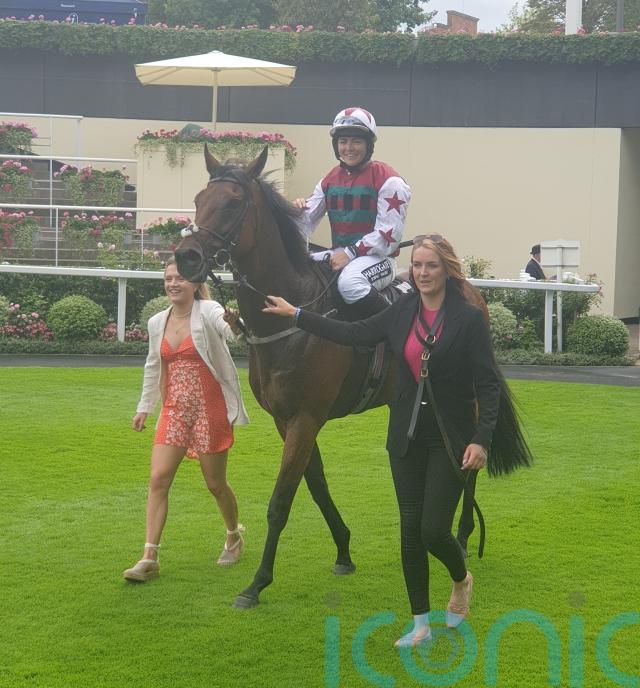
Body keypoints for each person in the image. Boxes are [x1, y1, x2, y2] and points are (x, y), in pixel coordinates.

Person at [262, 235, 532, 647]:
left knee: (433, 531)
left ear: (447, 270)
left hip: (451, 435)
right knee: (409, 532)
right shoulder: (401, 310)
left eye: (431, 266)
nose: (422, 273)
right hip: (406, 436)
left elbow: (488, 385)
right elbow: (351, 332)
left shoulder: (468, 319)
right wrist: (297, 314)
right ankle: (420, 623)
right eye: (417, 265)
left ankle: (461, 578)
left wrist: (481, 440)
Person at [123, 257, 249, 582]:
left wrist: (235, 323)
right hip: (174, 411)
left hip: (210, 408)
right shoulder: (157, 322)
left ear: (194, 283)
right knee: (158, 479)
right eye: (168, 278)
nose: (173, 283)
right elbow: (154, 365)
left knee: (215, 483)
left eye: (179, 278)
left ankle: (233, 534)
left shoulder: (209, 311)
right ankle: (149, 557)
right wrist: (144, 407)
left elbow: (232, 332)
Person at [293, 107, 411, 317]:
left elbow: (389, 236)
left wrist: (350, 253)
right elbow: (304, 225)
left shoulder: (390, 180)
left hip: (379, 259)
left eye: (356, 141)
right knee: (297, 269)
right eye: (343, 141)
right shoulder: (329, 180)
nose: (348, 148)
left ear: (368, 145)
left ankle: (393, 324)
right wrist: (295, 212)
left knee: (350, 284)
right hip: (340, 254)